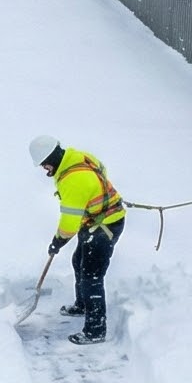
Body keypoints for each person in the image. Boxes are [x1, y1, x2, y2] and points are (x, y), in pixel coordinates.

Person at [29, 136, 126, 345]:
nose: (45, 170)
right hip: (95, 221)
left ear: (52, 158)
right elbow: (102, 172)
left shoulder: (72, 180)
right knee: (78, 261)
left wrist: (57, 242)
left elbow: (69, 225)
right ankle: (83, 305)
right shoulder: (78, 157)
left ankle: (95, 330)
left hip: (105, 225)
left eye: (44, 164)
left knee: (92, 276)